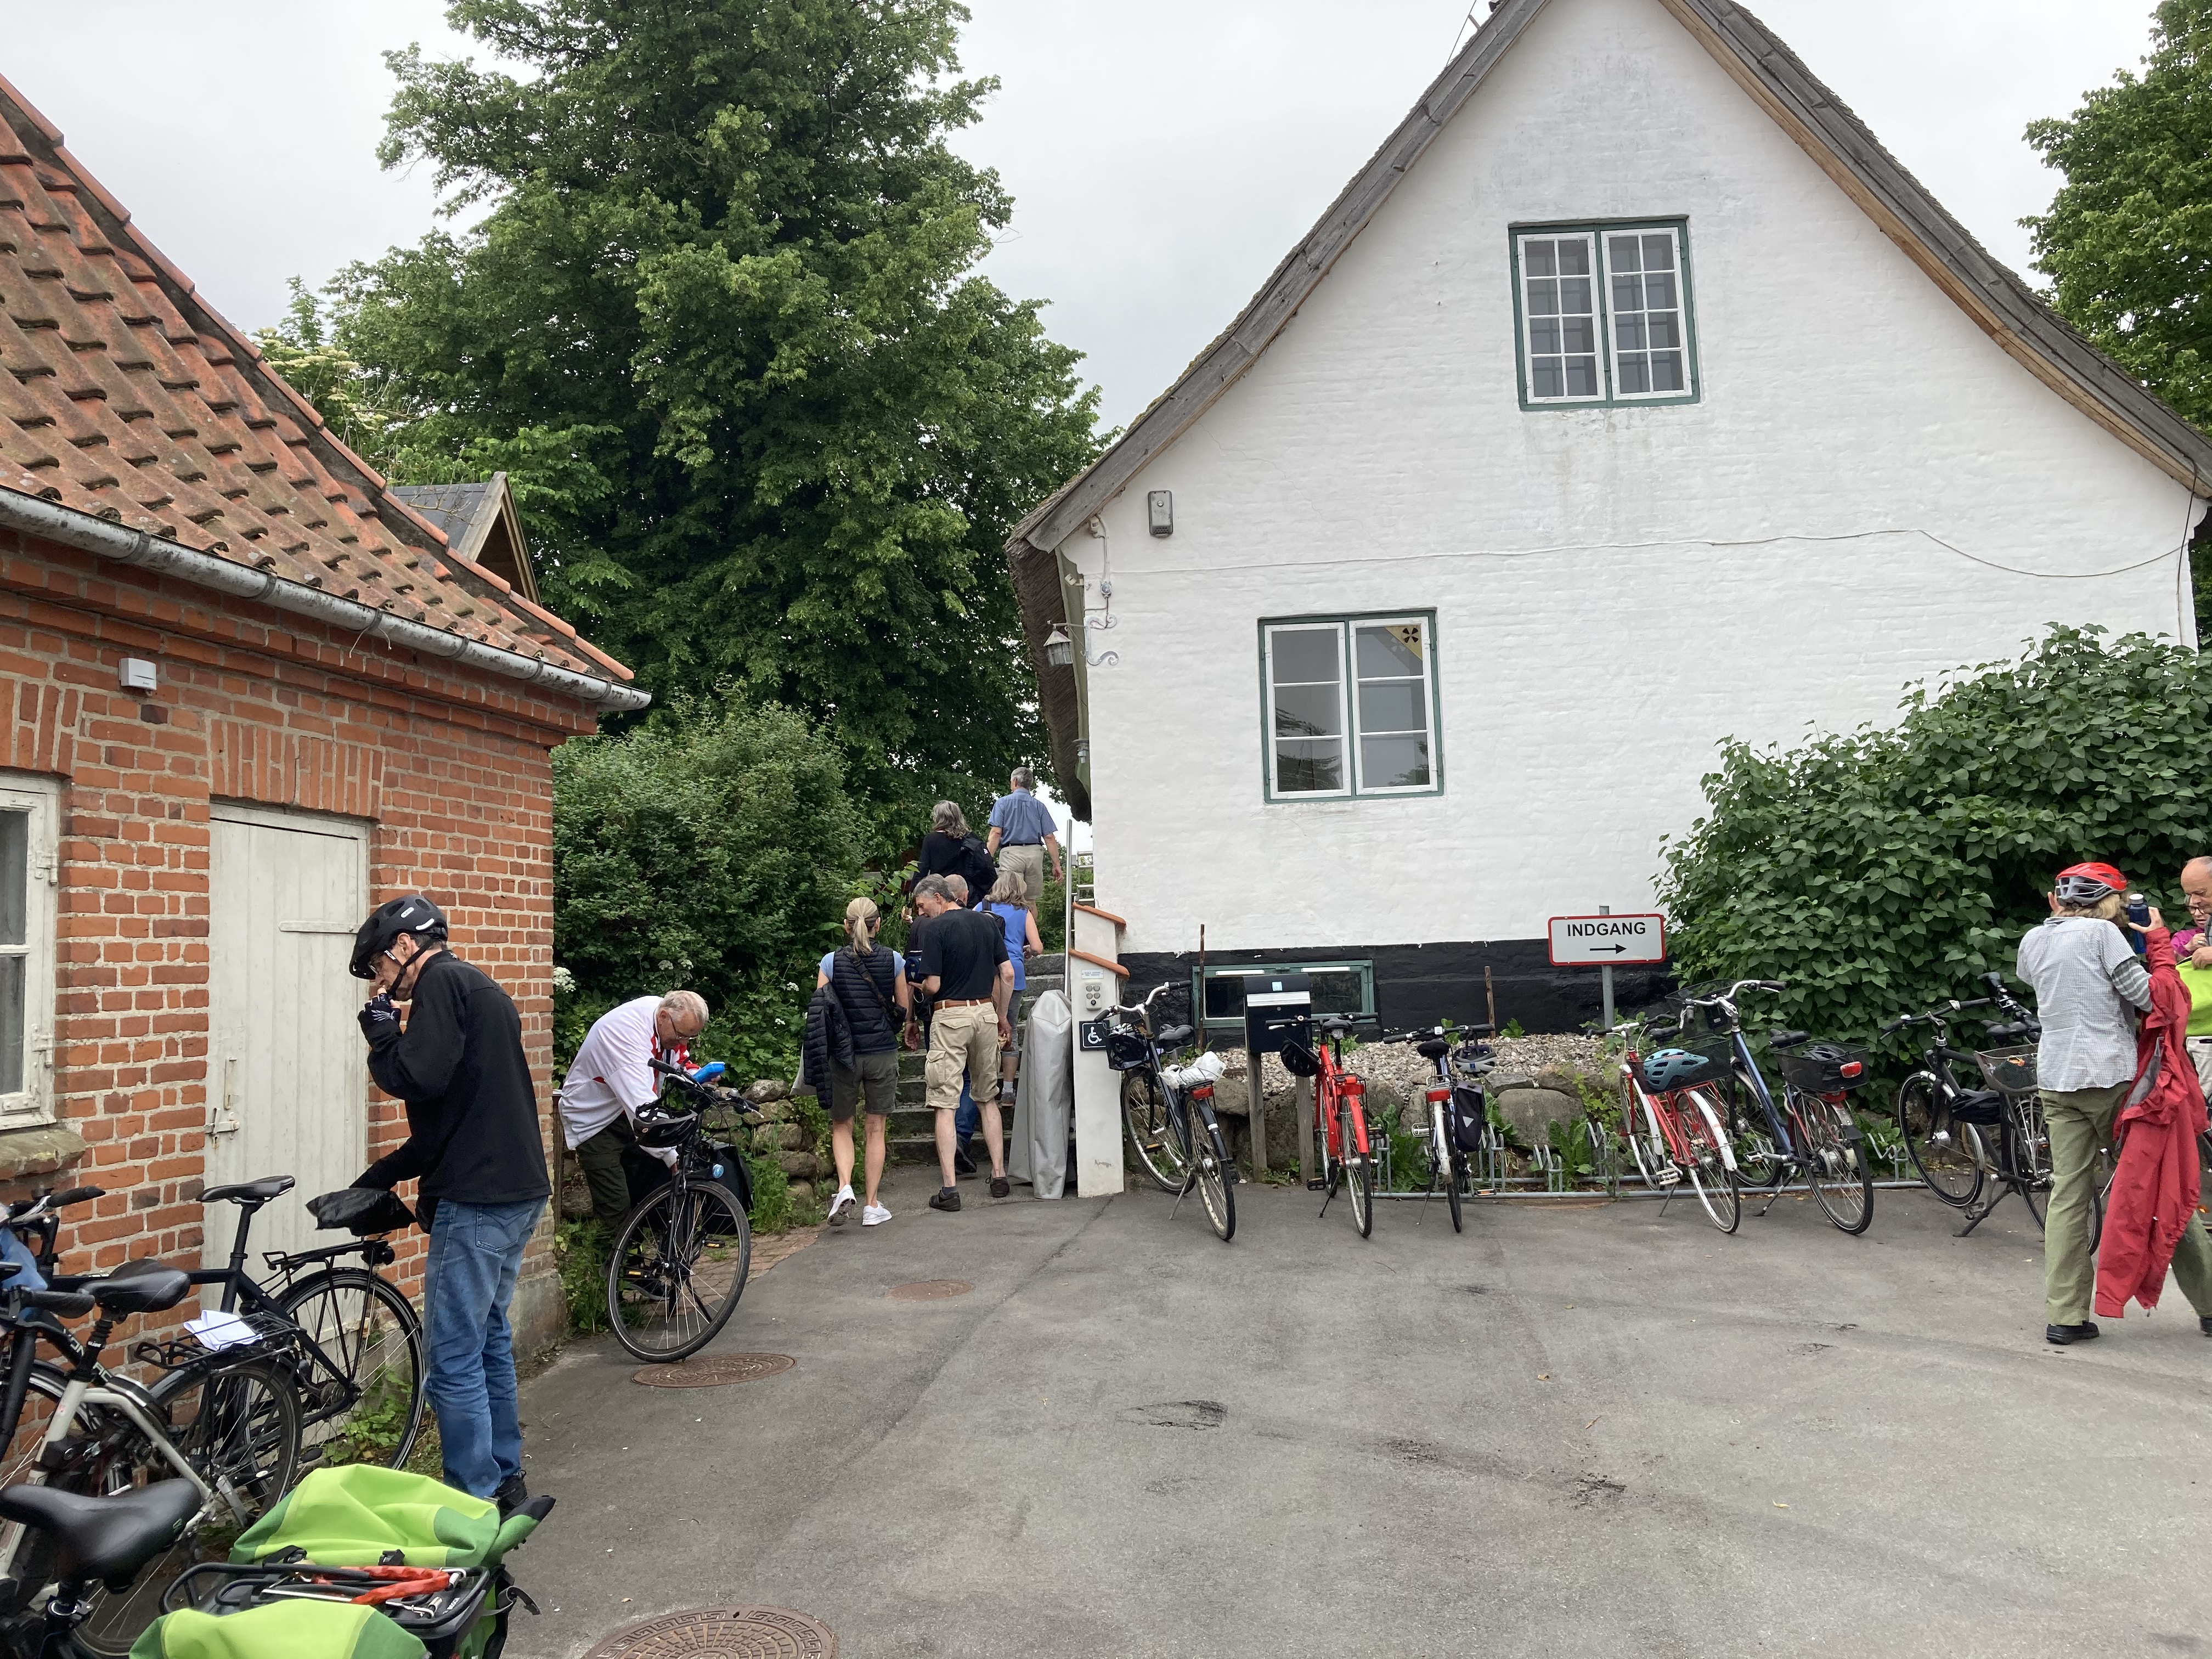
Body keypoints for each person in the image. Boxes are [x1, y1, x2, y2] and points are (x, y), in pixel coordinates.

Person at [349, 895, 548, 1509]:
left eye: (380, 967)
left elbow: (417, 1078)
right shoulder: (480, 989)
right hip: (516, 1191)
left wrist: (383, 1038)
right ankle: (504, 1476)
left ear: (405, 946)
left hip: (477, 1199)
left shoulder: (439, 984)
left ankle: (471, 1497)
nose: (382, 983)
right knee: (487, 1339)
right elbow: (454, 1116)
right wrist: (381, 1175)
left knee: (455, 1356)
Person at [2016, 862, 2212, 1346]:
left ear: (2059, 900)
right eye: (2121, 902)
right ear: (2108, 901)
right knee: (2160, 1183)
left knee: (2068, 1195)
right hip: (2114, 1081)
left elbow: (2038, 981)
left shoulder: (2033, 940)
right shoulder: (2104, 935)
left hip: (2057, 1079)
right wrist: (2158, 943)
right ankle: (2210, 1305)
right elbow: (2153, 1000)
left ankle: (2065, 1316)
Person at [559, 989, 710, 1231]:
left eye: (690, 1037)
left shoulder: (661, 1014)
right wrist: (671, 1156)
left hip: (626, 1113)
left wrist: (696, 1076)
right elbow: (643, 1110)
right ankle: (609, 1254)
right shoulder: (624, 1037)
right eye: (682, 1035)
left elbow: (677, 1059)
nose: (683, 1042)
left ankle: (638, 1252)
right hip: (595, 1120)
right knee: (616, 1206)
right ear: (663, 1016)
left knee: (643, 1190)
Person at [911, 874, 1012, 1210]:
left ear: (939, 898)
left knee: (945, 1103)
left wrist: (918, 986)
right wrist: (1002, 1015)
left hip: (951, 1015)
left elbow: (934, 985)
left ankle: (950, 1190)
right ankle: (999, 1176)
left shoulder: (935, 930)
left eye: (922, 906)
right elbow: (1007, 973)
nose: (921, 914)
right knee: (988, 1098)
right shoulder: (987, 923)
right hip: (985, 1012)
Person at [815, 898, 910, 1227]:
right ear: (877, 924)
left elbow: (822, 1011)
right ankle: (871, 1205)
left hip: (844, 1057)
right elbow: (903, 1008)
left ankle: (844, 1187)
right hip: (881, 1053)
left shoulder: (830, 963)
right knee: (876, 1129)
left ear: (846, 925)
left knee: (842, 1124)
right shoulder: (894, 960)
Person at [978, 870, 1043, 1105]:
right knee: (1010, 1028)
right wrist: (1026, 950)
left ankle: (984, 1086)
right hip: (1013, 973)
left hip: (986, 972)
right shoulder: (1022, 911)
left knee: (984, 1027)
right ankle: (1007, 1090)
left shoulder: (982, 907)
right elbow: (1037, 947)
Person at [985, 768, 1063, 906]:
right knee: (1030, 901)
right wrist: (1056, 864)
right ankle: (1031, 921)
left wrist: (985, 859)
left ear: (1015, 782)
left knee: (1009, 899)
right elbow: (1049, 837)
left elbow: (996, 833)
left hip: (1011, 854)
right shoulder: (1040, 806)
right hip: (1035, 854)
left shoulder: (1002, 803)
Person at [2171, 857, 2212, 1095]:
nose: (2194, 902)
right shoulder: (2189, 934)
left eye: (2200, 893)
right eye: (2189, 895)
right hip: (2198, 1034)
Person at [909, 801, 994, 907]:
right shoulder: (971, 838)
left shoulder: (931, 840)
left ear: (938, 818)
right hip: (966, 894)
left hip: (942, 894)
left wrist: (911, 899)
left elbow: (921, 870)